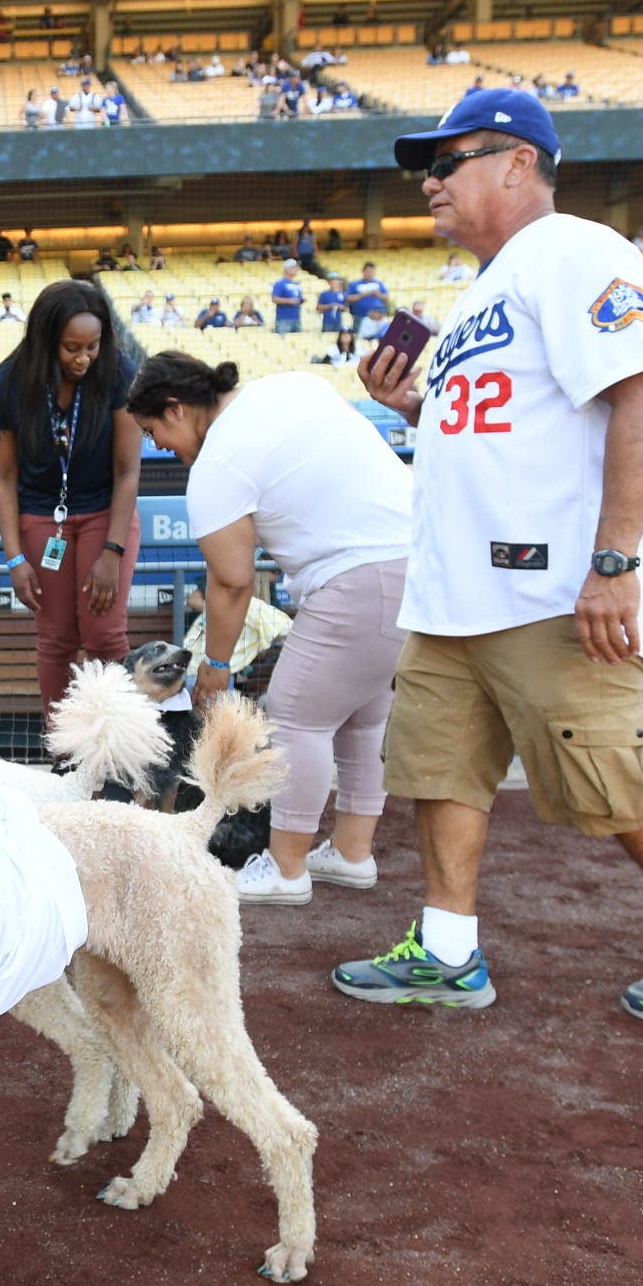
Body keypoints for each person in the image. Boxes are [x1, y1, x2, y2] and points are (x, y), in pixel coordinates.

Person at [350, 89, 643, 1027]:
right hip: (458, 591)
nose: (429, 180)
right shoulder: (484, 289)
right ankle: (446, 948)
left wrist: (614, 562)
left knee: (607, 776)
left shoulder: (579, 249)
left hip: (550, 584)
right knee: (439, 768)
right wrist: (410, 409)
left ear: (517, 161)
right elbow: (509, 433)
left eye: (447, 159)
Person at [128, 353, 413, 907]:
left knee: (294, 714)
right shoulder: (294, 385)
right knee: (364, 714)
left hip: (356, 576)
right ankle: (352, 852)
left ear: (177, 408)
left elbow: (232, 583)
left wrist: (214, 667)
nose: (157, 445)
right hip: (418, 567)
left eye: (153, 430)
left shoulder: (217, 465)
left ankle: (286, 868)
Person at [0, 278, 141, 714]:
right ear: (47, 339)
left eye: (93, 346)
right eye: (72, 347)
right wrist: (14, 559)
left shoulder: (119, 372)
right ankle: (64, 753)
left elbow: (128, 470)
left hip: (105, 514)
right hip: (40, 516)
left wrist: (112, 550)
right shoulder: (10, 380)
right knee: (56, 641)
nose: (84, 358)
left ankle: (116, 749)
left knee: (105, 637)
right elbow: (3, 477)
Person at [270, 262, 304, 333]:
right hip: (284, 319)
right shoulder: (280, 283)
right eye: (294, 267)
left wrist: (301, 300)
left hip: (296, 318)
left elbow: (297, 299)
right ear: (287, 269)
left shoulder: (297, 284)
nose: (296, 269)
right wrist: (289, 301)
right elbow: (274, 298)